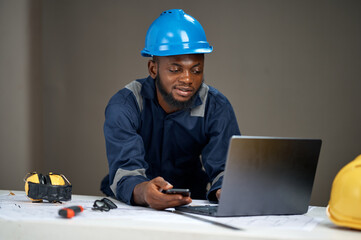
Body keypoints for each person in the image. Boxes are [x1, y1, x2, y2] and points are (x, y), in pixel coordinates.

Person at [101, 9, 240, 210]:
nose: (187, 79)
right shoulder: (125, 105)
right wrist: (144, 192)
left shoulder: (216, 107)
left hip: (191, 203)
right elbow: (126, 172)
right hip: (132, 207)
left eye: (196, 70)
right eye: (175, 69)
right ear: (153, 69)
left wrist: (225, 189)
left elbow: (225, 170)